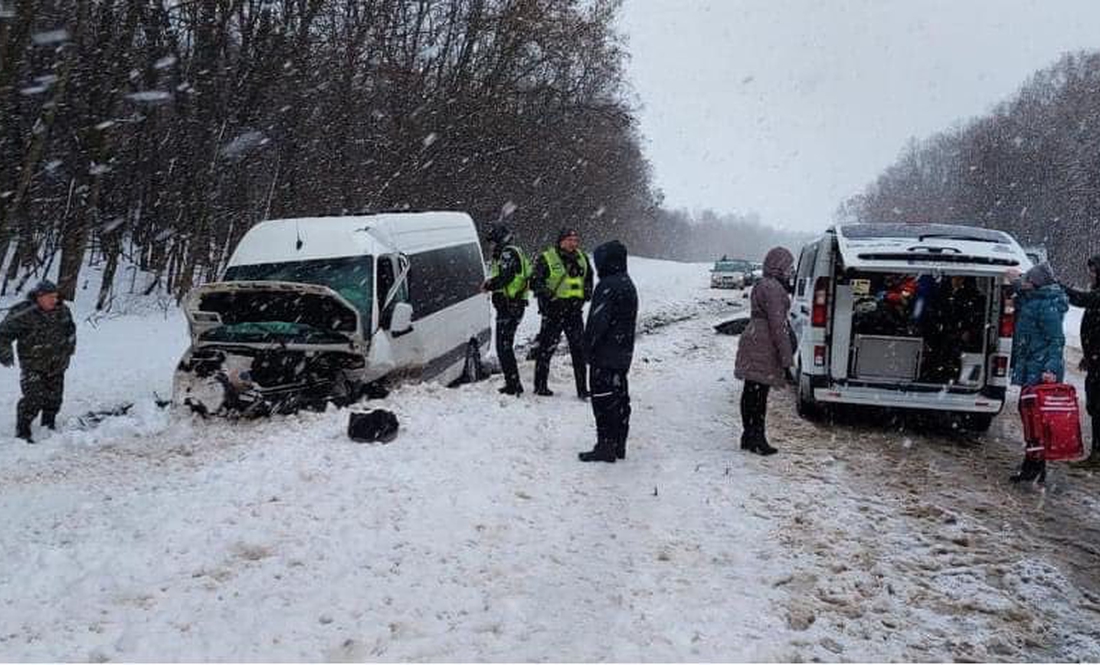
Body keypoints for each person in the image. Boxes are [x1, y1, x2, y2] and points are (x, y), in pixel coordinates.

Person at [1009, 263, 1069, 483]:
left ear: (1035, 283)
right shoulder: (1036, 299)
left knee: (1035, 417)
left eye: (1027, 279)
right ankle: (1034, 463)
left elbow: (1057, 341)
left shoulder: (1047, 306)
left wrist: (1051, 370)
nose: (1024, 282)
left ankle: (1034, 465)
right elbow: (1022, 293)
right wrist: (1015, 280)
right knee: (1031, 416)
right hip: (1033, 366)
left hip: (1041, 370)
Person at [578, 240, 638, 463]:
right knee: (620, 399)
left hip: (605, 354)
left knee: (604, 400)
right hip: (622, 353)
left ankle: (606, 445)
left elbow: (597, 323)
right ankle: (619, 443)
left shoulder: (607, 286)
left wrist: (587, 347)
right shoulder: (626, 282)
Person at [734, 247, 795, 456]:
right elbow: (778, 326)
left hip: (754, 339)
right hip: (764, 344)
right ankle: (757, 439)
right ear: (780, 267)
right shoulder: (774, 289)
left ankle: (749, 435)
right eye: (789, 266)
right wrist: (787, 359)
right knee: (759, 395)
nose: (790, 271)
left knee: (751, 391)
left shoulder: (763, 284)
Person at [0, 280, 77, 443]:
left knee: (54, 399)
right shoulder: (24, 312)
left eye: (55, 297)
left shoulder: (63, 311)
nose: (53, 300)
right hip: (33, 365)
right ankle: (23, 431)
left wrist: (69, 348)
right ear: (39, 297)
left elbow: (70, 330)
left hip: (58, 364)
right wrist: (5, 353)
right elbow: (3, 334)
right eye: (49, 297)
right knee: (32, 398)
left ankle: (48, 426)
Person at [530, 227, 593, 398]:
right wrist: (547, 294)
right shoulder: (547, 258)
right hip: (553, 312)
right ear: (561, 241)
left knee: (579, 351)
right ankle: (540, 386)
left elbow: (588, 278)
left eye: (576, 240)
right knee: (546, 350)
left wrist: (588, 291)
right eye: (570, 240)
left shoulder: (582, 258)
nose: (574, 243)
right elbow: (535, 283)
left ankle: (582, 389)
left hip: (574, 312)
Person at [481, 223, 531, 396]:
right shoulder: (511, 252)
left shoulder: (508, 253)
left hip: (510, 305)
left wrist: (489, 284)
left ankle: (513, 384)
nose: (491, 246)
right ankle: (512, 382)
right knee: (504, 346)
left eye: (493, 242)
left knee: (504, 346)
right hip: (512, 305)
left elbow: (507, 276)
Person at [1062, 255, 1100, 468]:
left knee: (1097, 407)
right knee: (1094, 406)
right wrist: (1089, 354)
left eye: (1094, 271)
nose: (1091, 275)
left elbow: (1082, 299)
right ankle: (1096, 452)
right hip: (1095, 360)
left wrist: (1059, 286)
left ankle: (1097, 454)